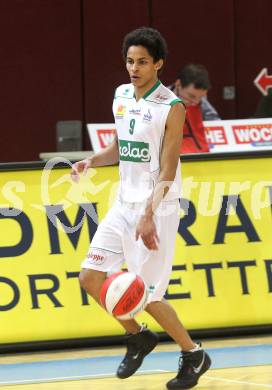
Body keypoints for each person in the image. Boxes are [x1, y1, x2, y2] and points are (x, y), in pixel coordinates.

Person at [71, 27, 211, 389]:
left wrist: (149, 213)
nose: (134, 68)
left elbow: (168, 167)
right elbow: (119, 148)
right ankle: (139, 338)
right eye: (130, 61)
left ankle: (192, 353)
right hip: (123, 203)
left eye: (143, 62)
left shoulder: (171, 107)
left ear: (159, 64)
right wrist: (91, 161)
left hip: (156, 208)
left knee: (148, 295)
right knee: (89, 277)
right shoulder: (121, 95)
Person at [170, 64, 220, 154]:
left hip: (198, 154)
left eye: (201, 97)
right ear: (178, 84)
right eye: (191, 96)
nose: (195, 102)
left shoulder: (200, 101)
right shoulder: (158, 101)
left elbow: (215, 122)